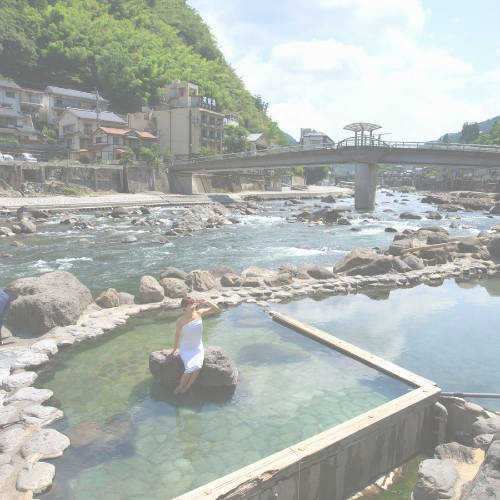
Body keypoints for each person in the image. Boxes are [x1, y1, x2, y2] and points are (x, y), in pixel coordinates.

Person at [172, 296, 221, 395]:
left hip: (197, 347)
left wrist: (207, 301)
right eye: (190, 304)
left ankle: (187, 387)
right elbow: (177, 334)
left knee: (197, 367)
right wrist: (175, 348)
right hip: (186, 348)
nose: (193, 306)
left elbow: (217, 309)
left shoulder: (199, 313)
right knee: (189, 369)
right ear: (184, 308)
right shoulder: (181, 320)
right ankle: (180, 386)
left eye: (193, 304)